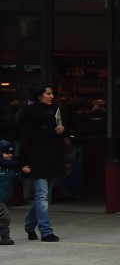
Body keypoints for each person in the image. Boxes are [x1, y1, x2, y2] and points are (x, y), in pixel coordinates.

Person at [17, 84, 68, 242]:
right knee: (42, 196)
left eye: (52, 93)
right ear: (39, 96)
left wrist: (62, 129)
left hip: (53, 158)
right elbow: (25, 139)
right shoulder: (30, 114)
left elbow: (61, 130)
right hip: (37, 158)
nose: (51, 96)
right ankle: (46, 231)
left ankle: (29, 225)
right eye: (48, 94)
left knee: (43, 197)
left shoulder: (55, 110)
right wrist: (24, 162)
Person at [0, 139, 31, 246]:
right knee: (5, 217)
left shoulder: (11, 168)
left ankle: (4, 236)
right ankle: (5, 237)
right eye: (6, 153)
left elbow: (18, 179)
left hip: (5, 198)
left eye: (11, 153)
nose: (9, 155)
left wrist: (22, 171)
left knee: (3, 218)